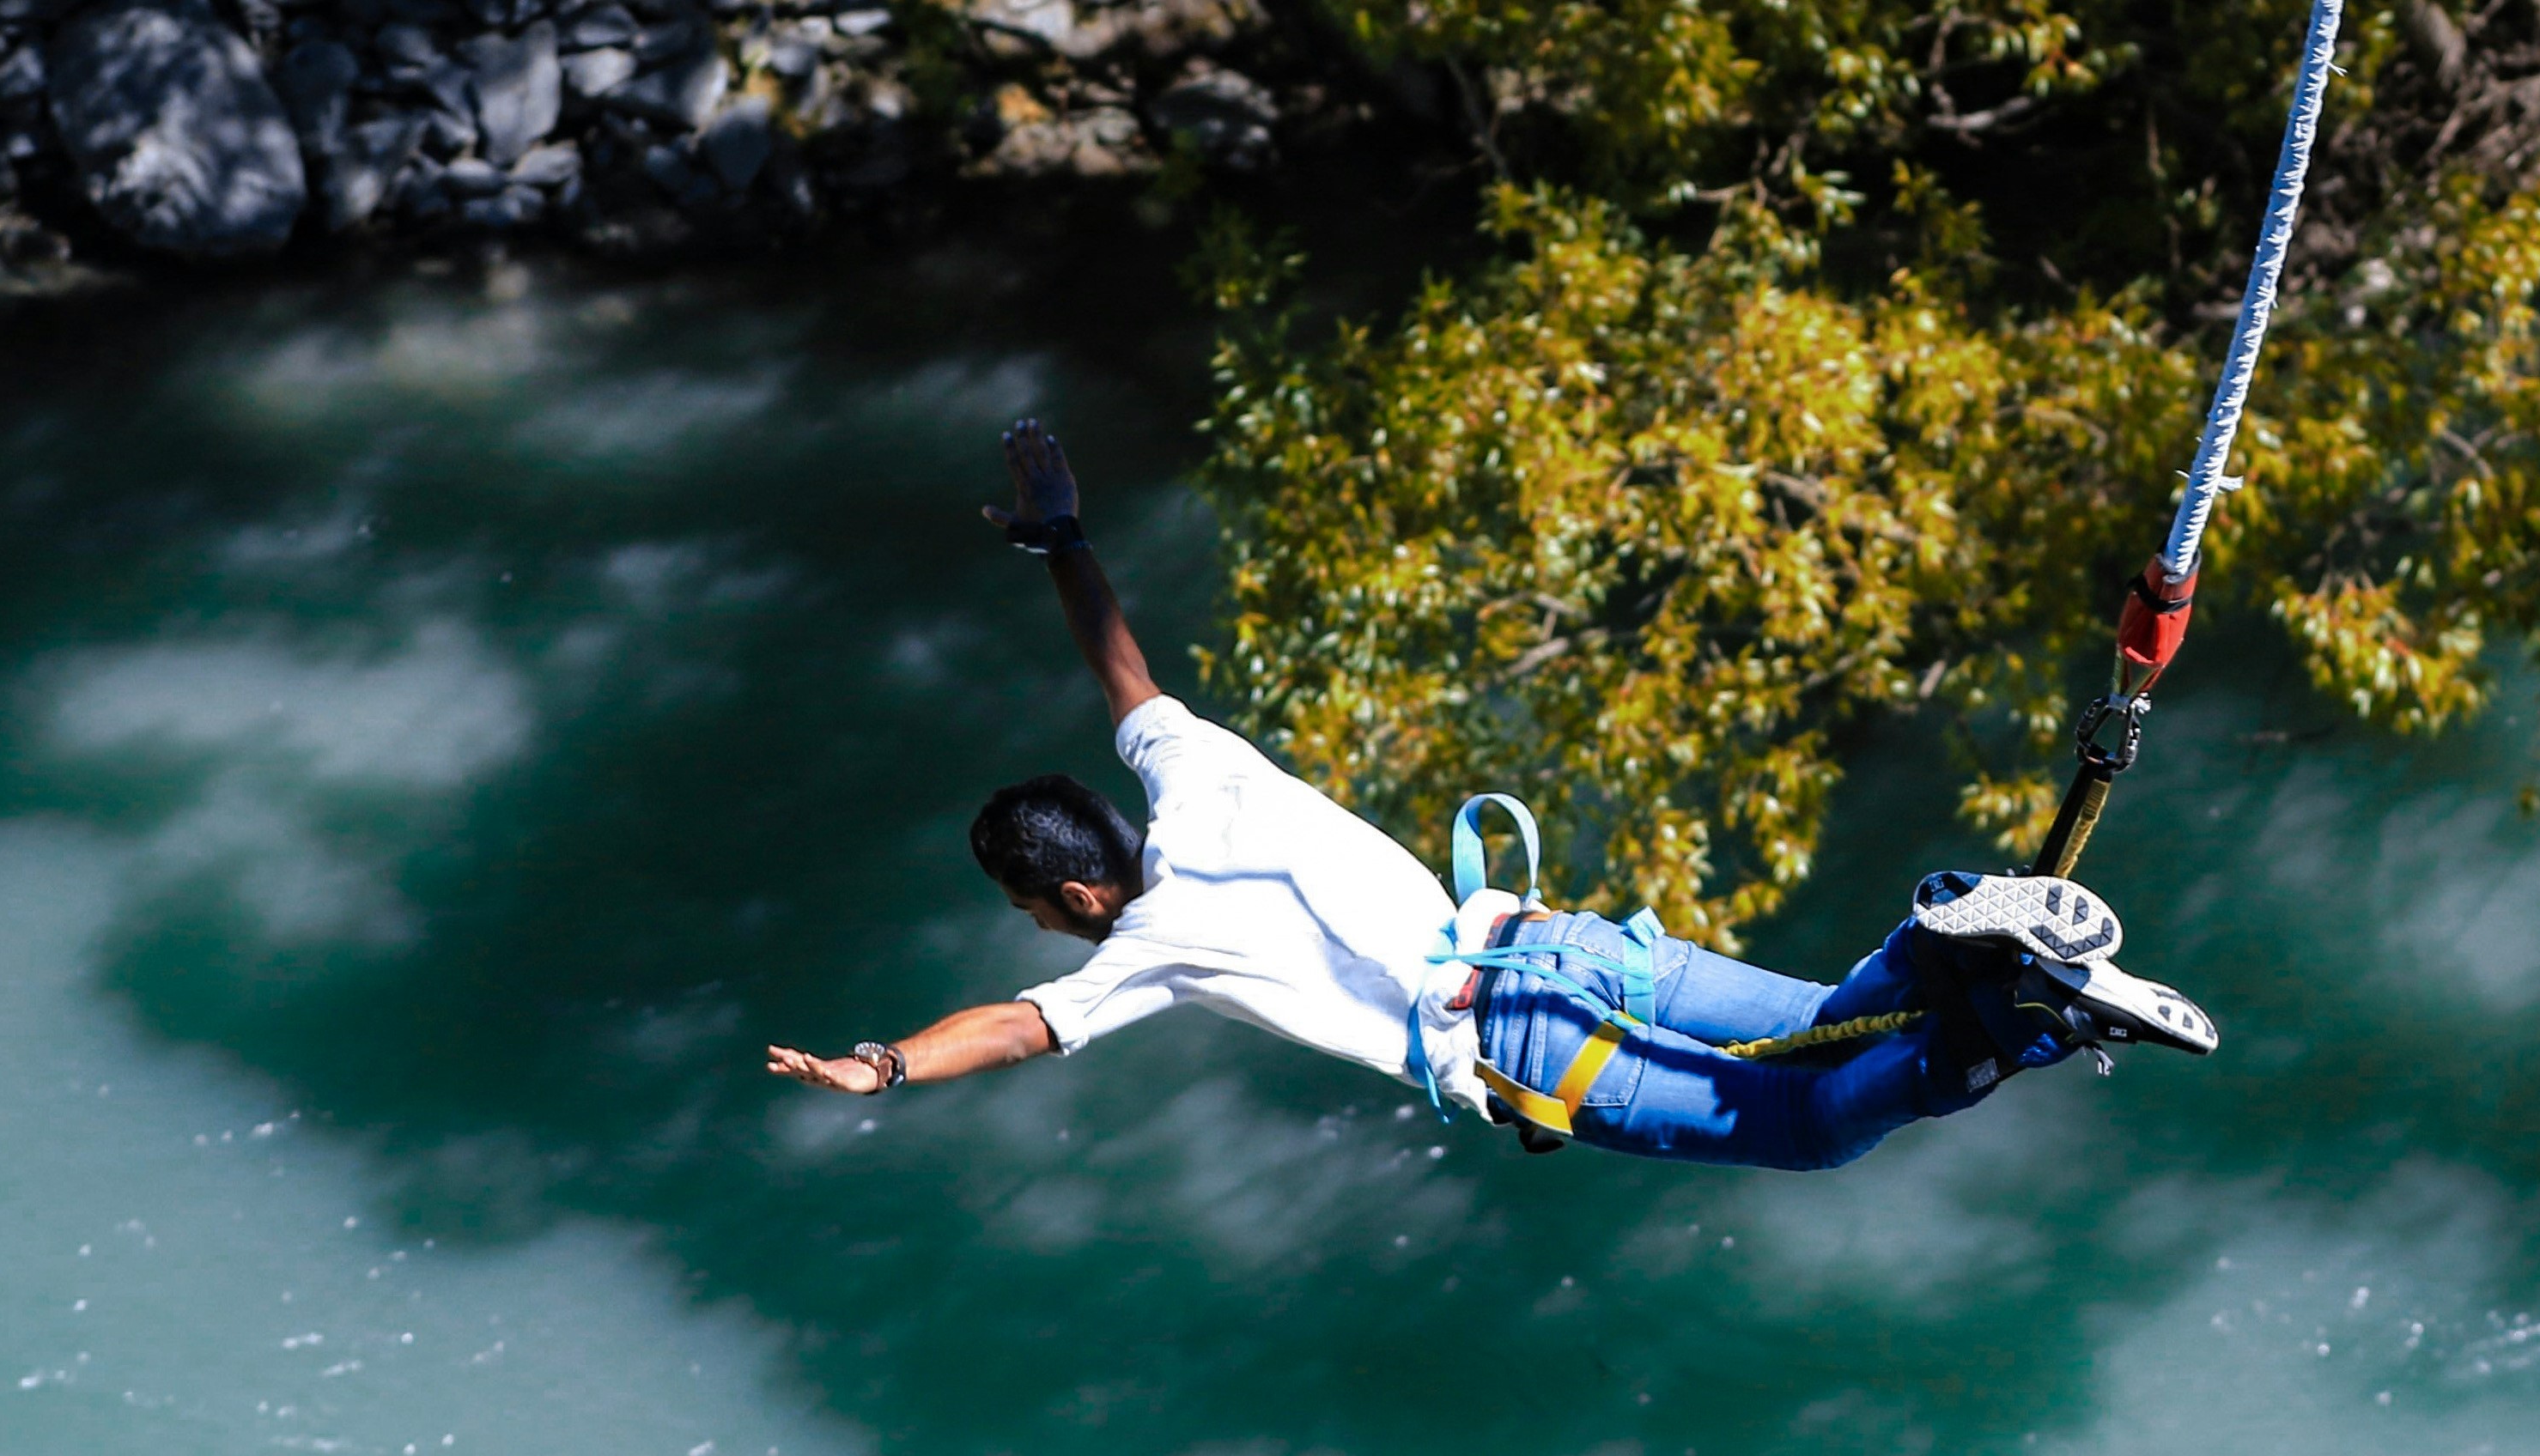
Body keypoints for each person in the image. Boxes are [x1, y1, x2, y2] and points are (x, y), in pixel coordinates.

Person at [765, 420, 2215, 1167]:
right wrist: (1063, 536)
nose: (1039, 934)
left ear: (1077, 892)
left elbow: (1016, 1029)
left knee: (1810, 1125)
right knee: (1830, 1025)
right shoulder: (1193, 771)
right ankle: (1967, 933)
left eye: (1032, 910)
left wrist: (882, 1065)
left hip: (1522, 1040)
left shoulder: (1149, 950)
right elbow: (1121, 670)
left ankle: (2020, 1006)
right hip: (1550, 941)